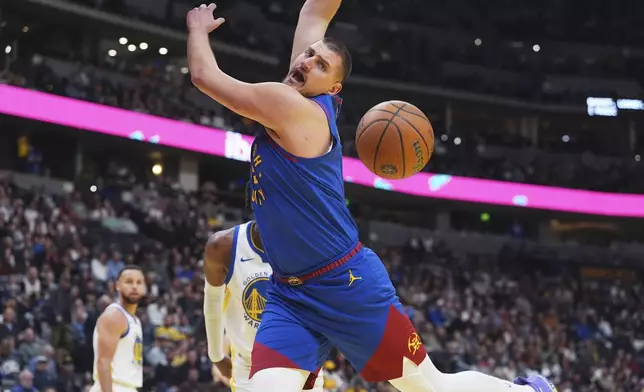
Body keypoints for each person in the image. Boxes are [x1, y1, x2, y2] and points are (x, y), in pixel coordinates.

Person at [186, 2, 556, 392]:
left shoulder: (292, 108)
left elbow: (204, 75)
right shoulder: (304, 87)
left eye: (321, 65)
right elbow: (314, 12)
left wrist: (196, 28)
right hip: (289, 293)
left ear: (333, 89)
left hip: (345, 284)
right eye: (309, 54)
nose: (309, 60)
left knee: (430, 387)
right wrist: (314, 33)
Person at [202, 221, 323, 391]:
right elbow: (213, 301)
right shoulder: (224, 245)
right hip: (249, 364)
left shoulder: (311, 247)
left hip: (301, 359)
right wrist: (216, 355)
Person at [90, 266, 146, 392]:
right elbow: (103, 363)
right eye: (129, 281)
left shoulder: (135, 320)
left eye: (139, 282)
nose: (134, 286)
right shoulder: (114, 316)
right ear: (118, 286)